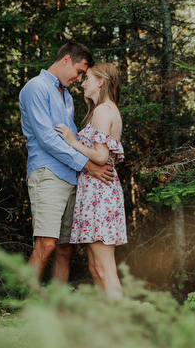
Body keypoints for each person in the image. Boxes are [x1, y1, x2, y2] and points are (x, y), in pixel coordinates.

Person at [19, 42, 115, 283]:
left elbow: (71, 139)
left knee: (65, 249)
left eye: (84, 75)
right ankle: (26, 308)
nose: (79, 78)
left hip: (72, 177)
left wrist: (92, 160)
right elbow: (47, 138)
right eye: (80, 71)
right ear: (66, 60)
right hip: (47, 174)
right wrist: (88, 165)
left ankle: (57, 310)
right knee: (46, 245)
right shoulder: (36, 88)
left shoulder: (67, 98)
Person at [55, 63, 127, 298]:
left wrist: (71, 140)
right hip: (95, 191)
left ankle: (123, 326)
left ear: (100, 82)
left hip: (100, 192)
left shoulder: (103, 111)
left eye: (87, 78)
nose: (83, 83)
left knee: (105, 268)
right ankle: (107, 324)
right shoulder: (105, 110)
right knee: (95, 268)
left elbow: (101, 156)